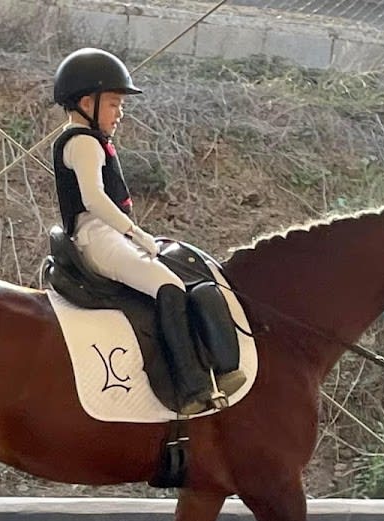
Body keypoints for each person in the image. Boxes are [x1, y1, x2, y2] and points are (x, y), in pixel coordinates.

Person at [51, 48, 245, 415]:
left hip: (109, 234)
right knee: (167, 286)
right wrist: (135, 233)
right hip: (99, 236)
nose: (120, 113)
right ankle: (191, 386)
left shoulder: (87, 140)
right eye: (112, 104)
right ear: (86, 102)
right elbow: (93, 199)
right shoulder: (83, 143)